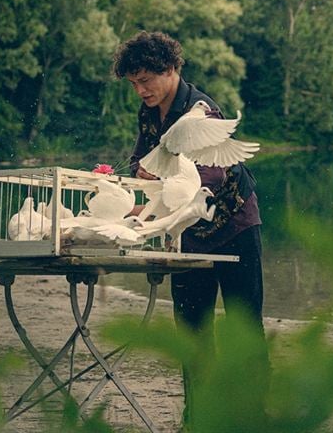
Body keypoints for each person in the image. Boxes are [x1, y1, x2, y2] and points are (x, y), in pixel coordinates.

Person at [111, 30, 268, 424]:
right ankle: (198, 420)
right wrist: (138, 182)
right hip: (187, 235)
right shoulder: (149, 112)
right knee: (193, 332)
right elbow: (140, 159)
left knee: (243, 328)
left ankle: (252, 419)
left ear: (171, 70)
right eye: (134, 84)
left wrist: (160, 185)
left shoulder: (202, 113)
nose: (140, 91)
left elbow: (210, 178)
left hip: (235, 228)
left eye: (145, 81)